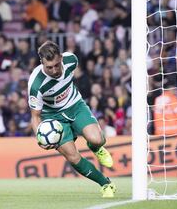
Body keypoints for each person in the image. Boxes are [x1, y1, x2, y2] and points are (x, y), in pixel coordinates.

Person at [28, 41, 116, 198]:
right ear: (42, 63)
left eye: (56, 65)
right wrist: (40, 137)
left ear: (61, 57)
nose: (54, 70)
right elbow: (35, 116)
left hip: (75, 106)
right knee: (72, 156)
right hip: (53, 118)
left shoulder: (71, 60)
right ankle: (105, 184)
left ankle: (96, 148)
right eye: (49, 67)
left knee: (97, 139)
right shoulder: (36, 84)